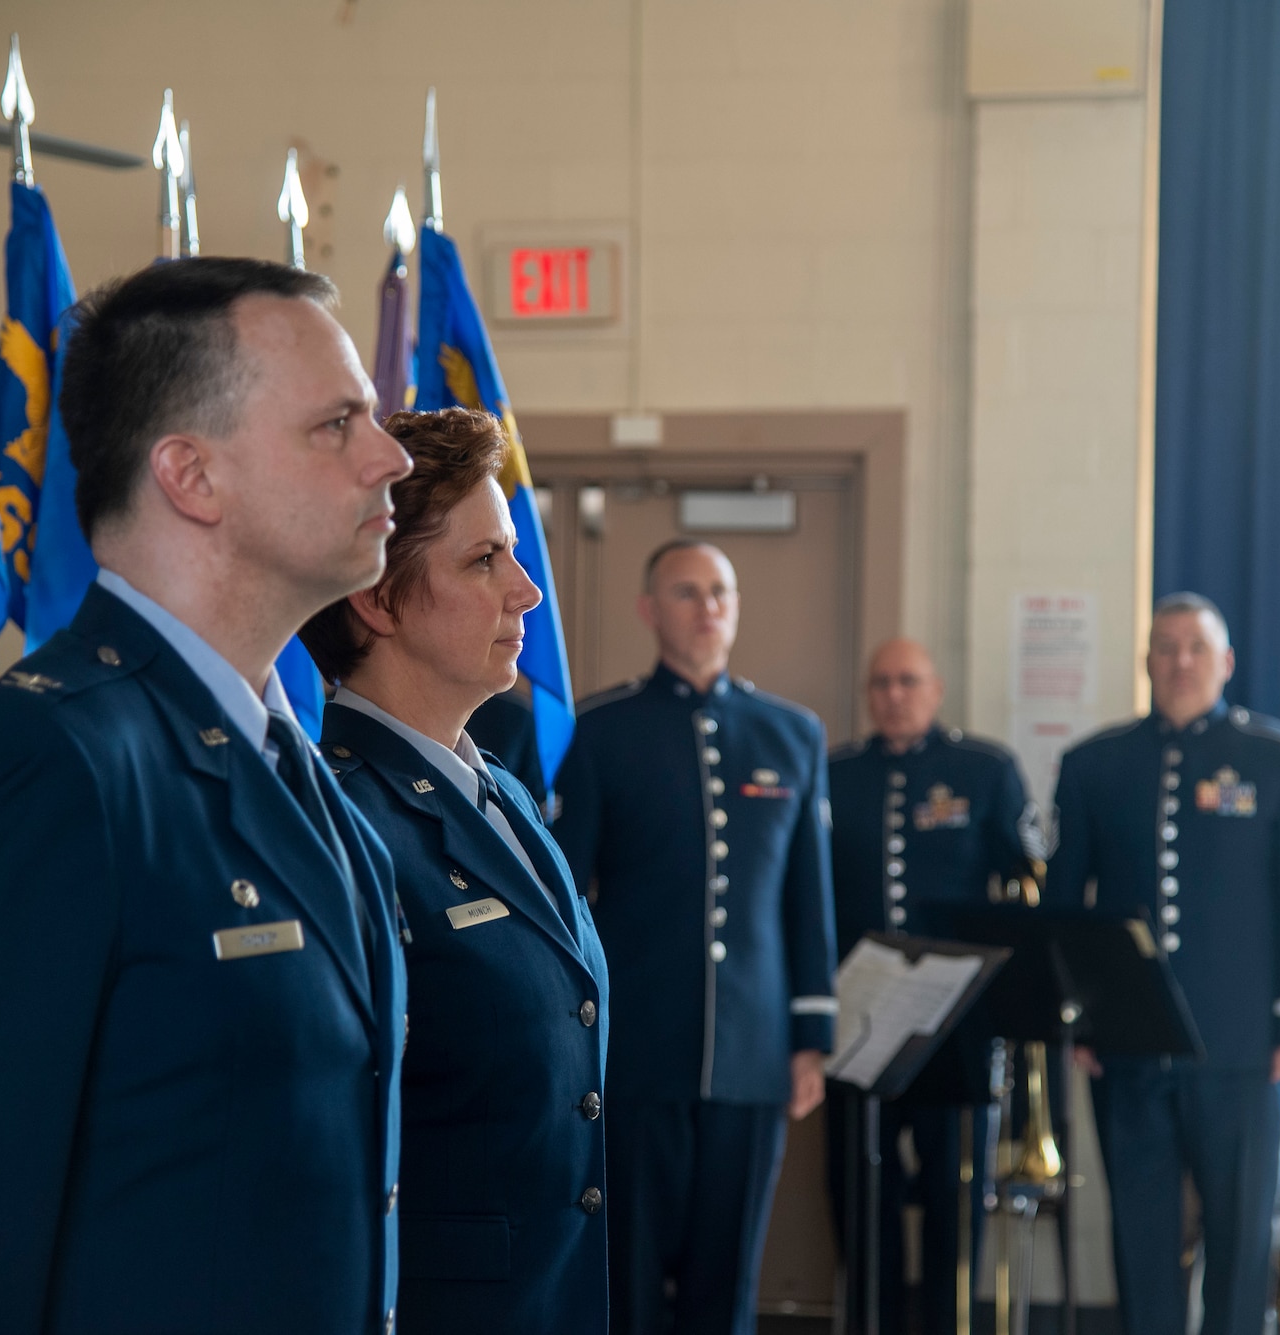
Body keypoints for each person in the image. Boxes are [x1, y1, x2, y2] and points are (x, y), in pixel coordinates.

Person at [0, 258, 414, 1333]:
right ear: (190, 475)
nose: (390, 455)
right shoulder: (44, 766)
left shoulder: (290, 758)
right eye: (336, 424)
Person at [299, 407, 610, 1335]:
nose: (528, 591)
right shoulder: (340, 819)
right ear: (378, 599)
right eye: (484, 561)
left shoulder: (499, 788)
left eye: (511, 554)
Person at [551, 538, 838, 1335]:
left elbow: (807, 899)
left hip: (753, 1053)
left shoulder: (792, 734)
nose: (708, 607)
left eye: (721, 591)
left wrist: (811, 1034)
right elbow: (568, 895)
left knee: (729, 1281)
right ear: (649, 610)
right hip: (637, 1048)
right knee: (631, 1276)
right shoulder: (601, 730)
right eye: (686, 591)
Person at [1045, 592, 1280, 1335]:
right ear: (1147, 660)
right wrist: (1076, 1014)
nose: (1180, 661)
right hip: (1129, 1043)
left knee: (1243, 1237)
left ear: (1226, 663)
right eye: (1165, 646)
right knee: (1138, 1234)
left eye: (1196, 648)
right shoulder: (1094, 764)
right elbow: (1064, 906)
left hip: (1244, 1047)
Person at [825, 636, 1044, 1335]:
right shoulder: (835, 773)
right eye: (881, 682)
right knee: (862, 1189)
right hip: (857, 1013)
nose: (894, 694)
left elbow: (1030, 882)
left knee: (956, 1189)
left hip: (958, 1022)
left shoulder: (984, 769)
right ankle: (873, 1319)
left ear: (937, 688)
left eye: (908, 681)